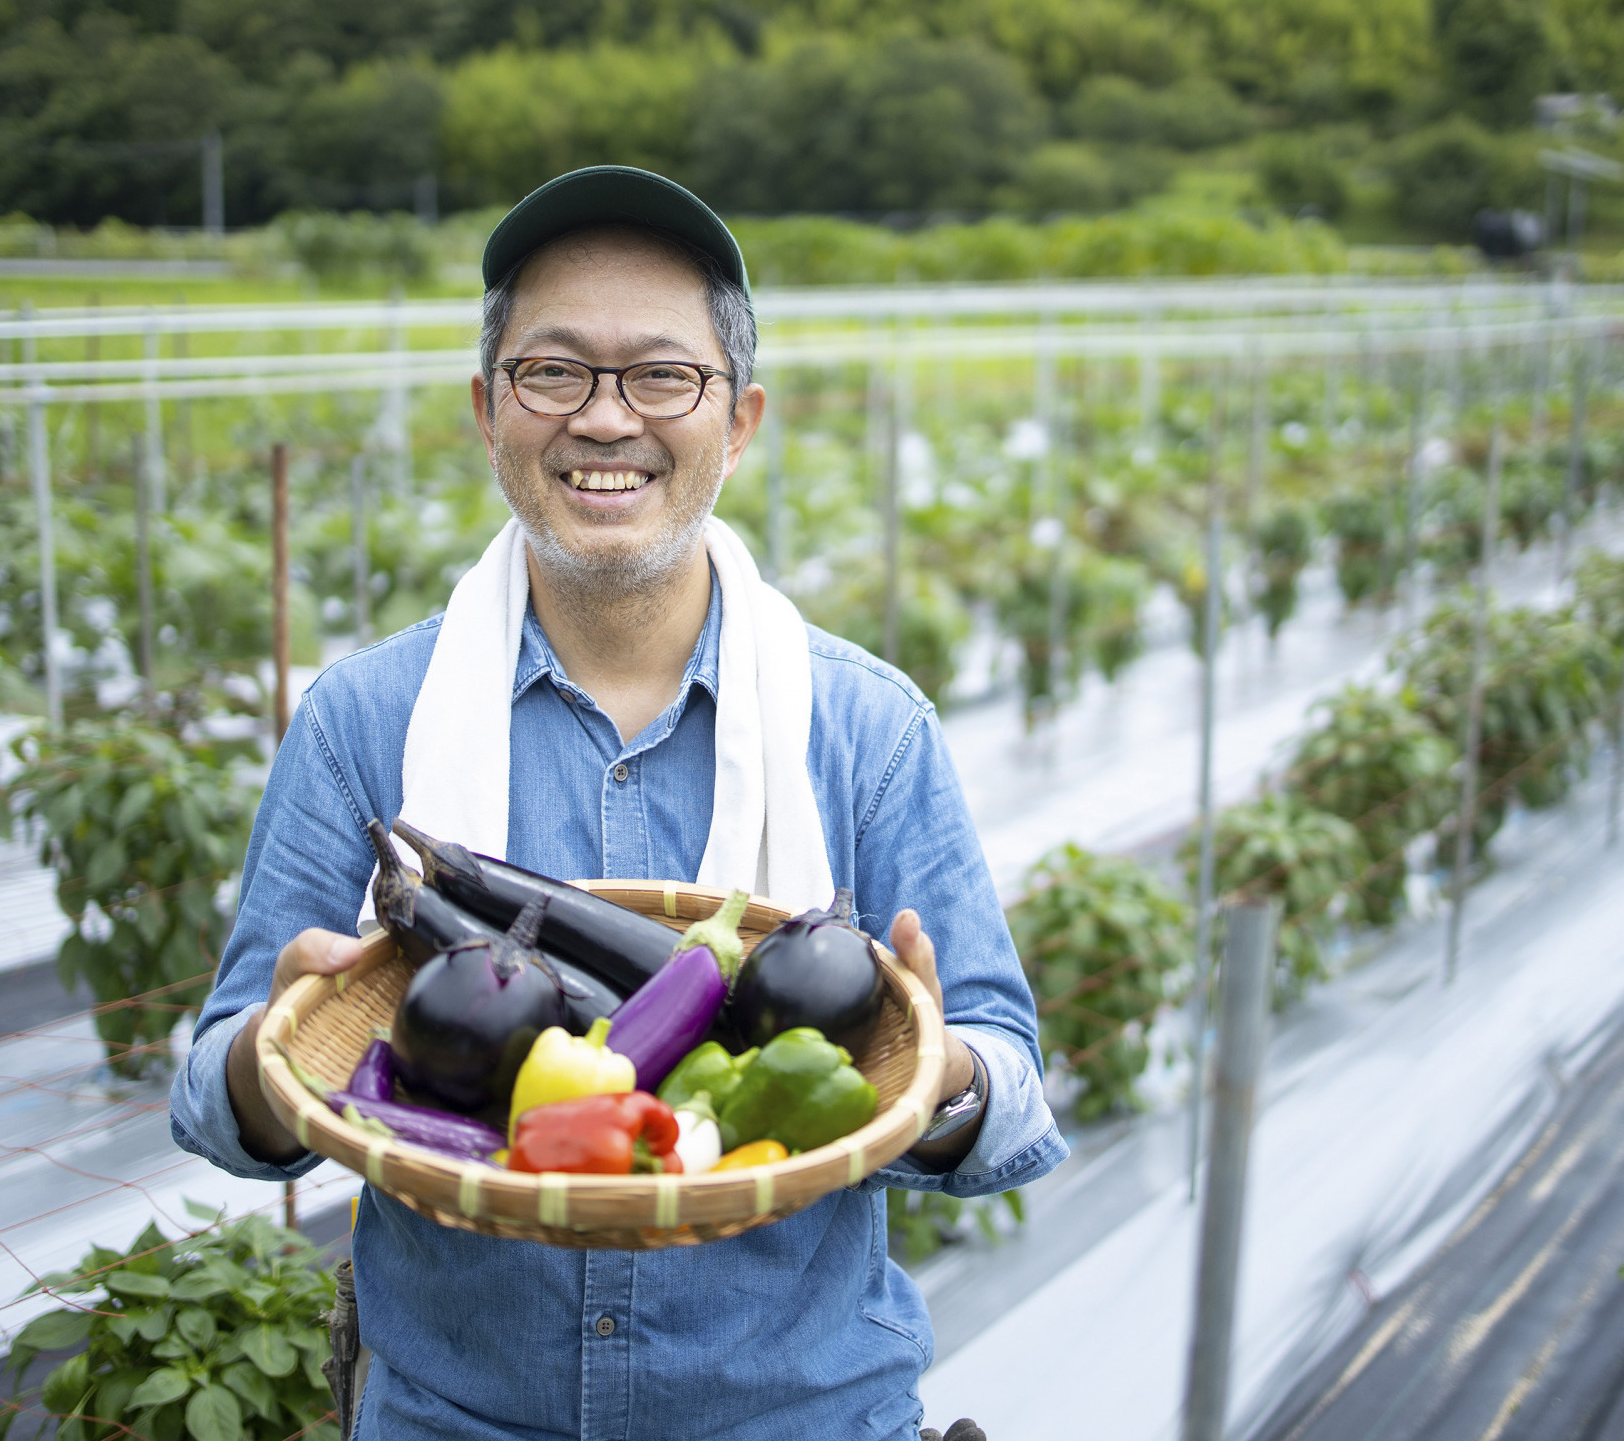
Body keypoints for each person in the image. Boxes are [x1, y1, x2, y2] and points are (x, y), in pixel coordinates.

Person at [169, 165, 1067, 1439]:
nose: (605, 419)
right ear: (488, 410)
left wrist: (940, 1067)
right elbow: (212, 1096)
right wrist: (282, 1054)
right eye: (553, 373)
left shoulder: (865, 730)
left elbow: (1017, 1103)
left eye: (661, 375)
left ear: (740, 419)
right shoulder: (366, 722)